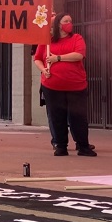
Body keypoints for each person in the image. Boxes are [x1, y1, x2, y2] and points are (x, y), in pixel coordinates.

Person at [33, 13, 95, 157]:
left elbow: (79, 55)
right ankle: (60, 146)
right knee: (56, 117)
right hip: (52, 86)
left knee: (78, 117)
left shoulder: (77, 38)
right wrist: (44, 70)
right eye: (66, 21)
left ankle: (83, 146)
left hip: (76, 86)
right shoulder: (47, 41)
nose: (69, 23)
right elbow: (37, 58)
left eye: (70, 21)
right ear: (58, 25)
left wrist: (58, 58)